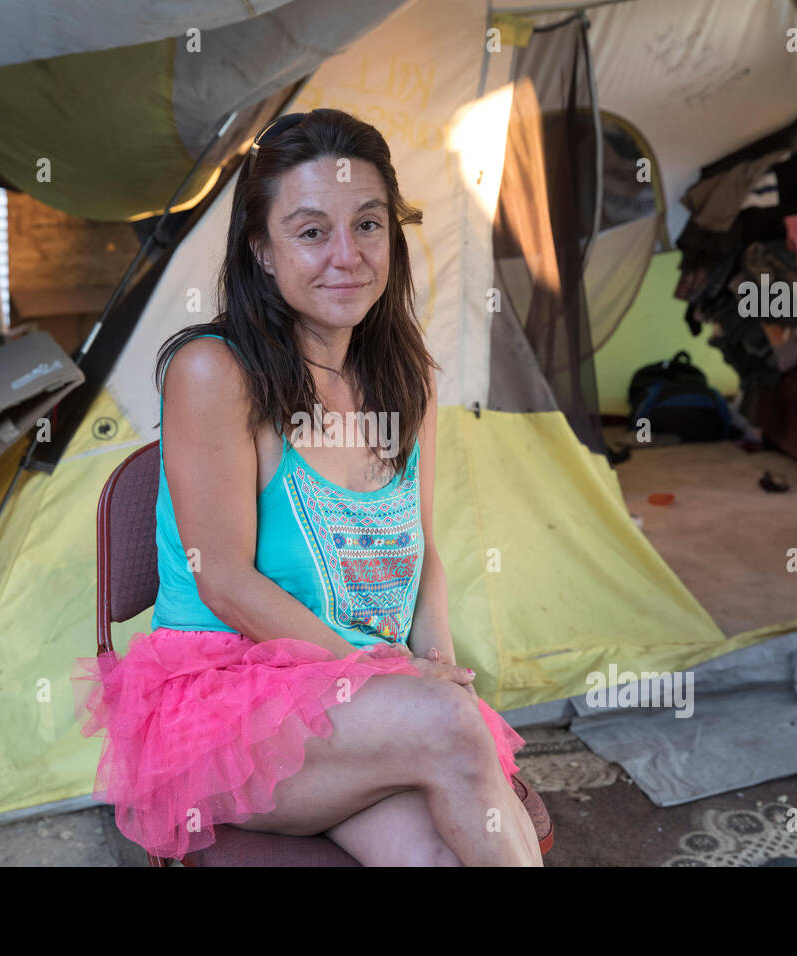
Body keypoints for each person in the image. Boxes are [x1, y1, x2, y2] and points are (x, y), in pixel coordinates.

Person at [76, 108, 542, 866]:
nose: (347, 255)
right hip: (225, 718)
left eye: (368, 224)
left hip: (364, 718)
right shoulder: (213, 373)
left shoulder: (403, 375)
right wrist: (400, 684)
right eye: (311, 230)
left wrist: (436, 661)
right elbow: (223, 581)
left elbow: (423, 552)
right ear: (261, 249)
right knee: (452, 729)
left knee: (445, 853)